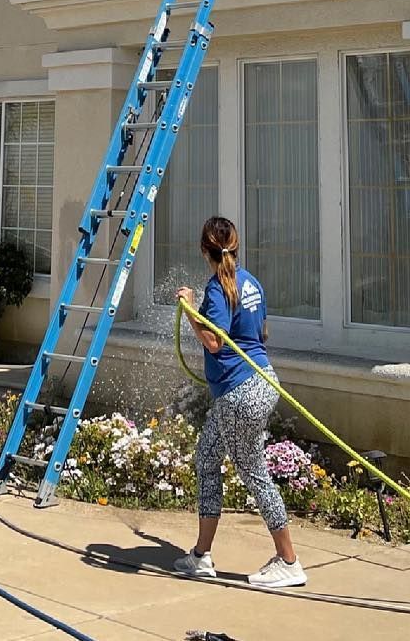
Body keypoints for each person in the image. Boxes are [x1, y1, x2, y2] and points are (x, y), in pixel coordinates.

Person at [172, 216, 305, 589]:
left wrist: (189, 311)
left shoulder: (217, 289)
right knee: (207, 458)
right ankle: (200, 555)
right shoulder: (251, 283)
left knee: (253, 473)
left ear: (204, 250)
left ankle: (289, 560)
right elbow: (262, 332)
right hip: (261, 383)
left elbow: (214, 342)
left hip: (239, 394)